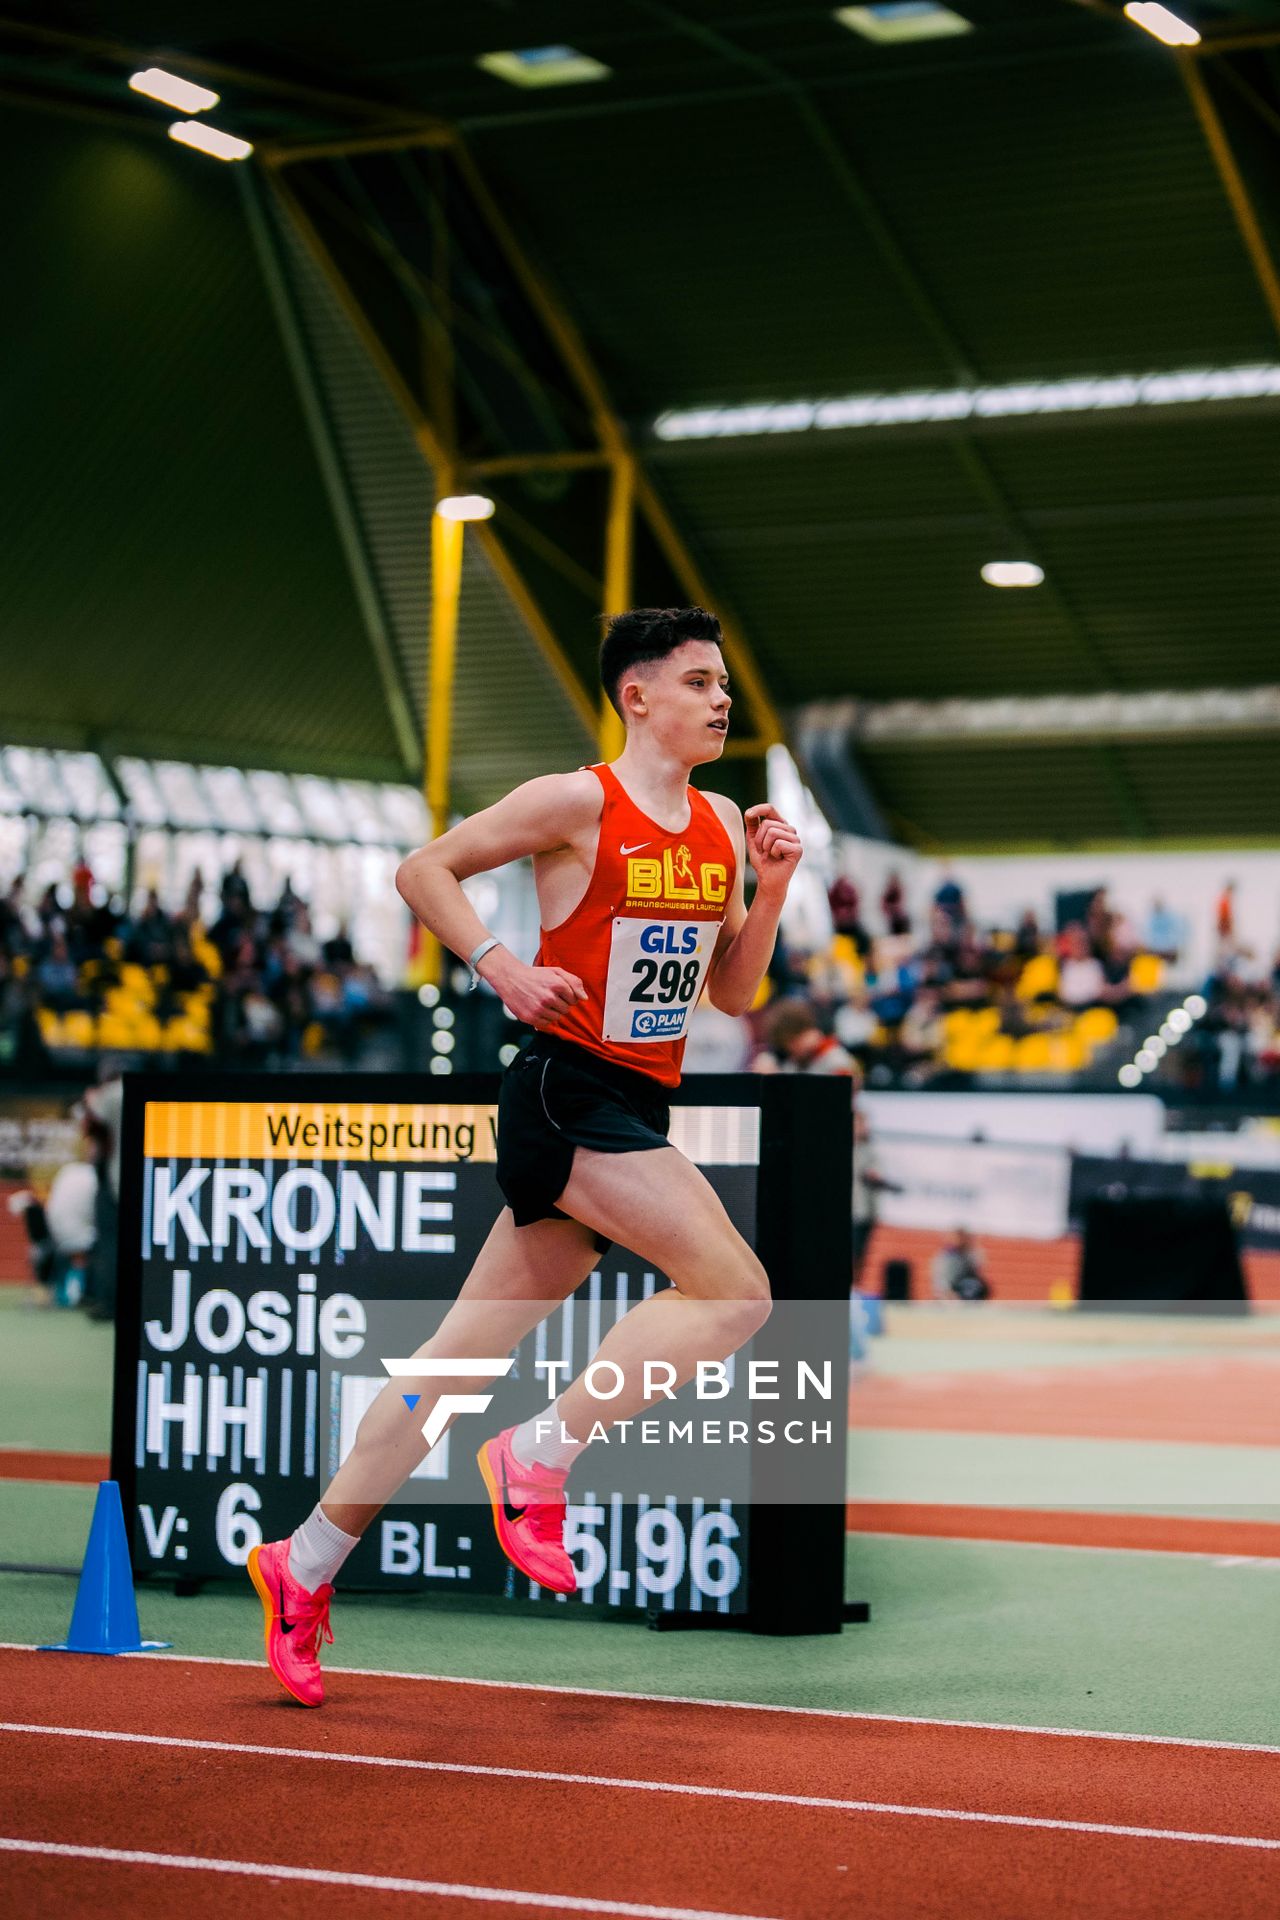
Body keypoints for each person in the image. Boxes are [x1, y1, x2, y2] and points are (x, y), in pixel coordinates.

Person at [248, 605, 803, 1707]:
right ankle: (538, 1456)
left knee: (451, 1369)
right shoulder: (574, 803)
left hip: (636, 1101)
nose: (720, 698)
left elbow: (731, 993)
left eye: (723, 683)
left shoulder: (713, 831)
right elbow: (424, 870)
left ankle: (301, 1561)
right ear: (635, 696)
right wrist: (501, 966)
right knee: (736, 1292)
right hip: (563, 1089)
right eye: (697, 680)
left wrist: (772, 882)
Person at [931, 1228, 990, 1302]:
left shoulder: (968, 1254)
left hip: (962, 1288)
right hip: (950, 1291)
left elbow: (978, 1270)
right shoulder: (947, 1256)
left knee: (973, 1285)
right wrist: (947, 1293)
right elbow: (941, 1279)